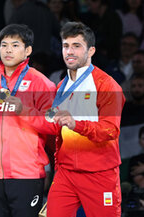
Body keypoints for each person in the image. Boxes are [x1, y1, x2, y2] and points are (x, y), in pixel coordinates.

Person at [0, 24, 56, 217]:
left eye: (15, 45)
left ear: (28, 50)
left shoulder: (42, 83)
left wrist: (23, 110)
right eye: (4, 45)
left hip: (26, 174)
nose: (8, 50)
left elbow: (53, 124)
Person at [46, 21, 125, 217]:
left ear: (91, 51)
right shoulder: (62, 85)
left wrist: (75, 124)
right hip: (66, 172)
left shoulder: (107, 85)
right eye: (66, 46)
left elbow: (110, 130)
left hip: (99, 173)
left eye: (76, 46)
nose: (69, 52)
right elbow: (52, 123)